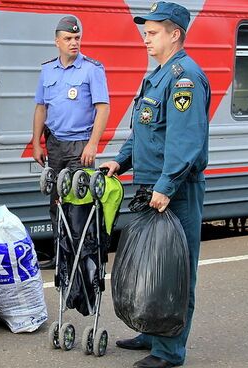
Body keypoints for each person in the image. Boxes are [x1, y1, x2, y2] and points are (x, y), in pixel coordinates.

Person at [99, 2, 210, 367]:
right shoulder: (158, 75)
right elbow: (144, 130)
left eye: (153, 32)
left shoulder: (183, 79)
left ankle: (169, 351)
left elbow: (185, 142)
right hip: (151, 188)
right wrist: (121, 160)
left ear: (175, 34)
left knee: (174, 271)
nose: (146, 38)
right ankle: (151, 330)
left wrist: (166, 186)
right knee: (152, 266)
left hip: (174, 192)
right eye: (145, 32)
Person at [31, 14, 110, 266]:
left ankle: (81, 256)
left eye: (77, 38)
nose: (74, 42)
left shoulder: (92, 70)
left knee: (78, 203)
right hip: (54, 145)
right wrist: (36, 143)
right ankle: (60, 257)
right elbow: (41, 109)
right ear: (57, 41)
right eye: (68, 38)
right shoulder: (47, 70)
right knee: (56, 201)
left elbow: (103, 108)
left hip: (80, 146)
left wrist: (93, 144)